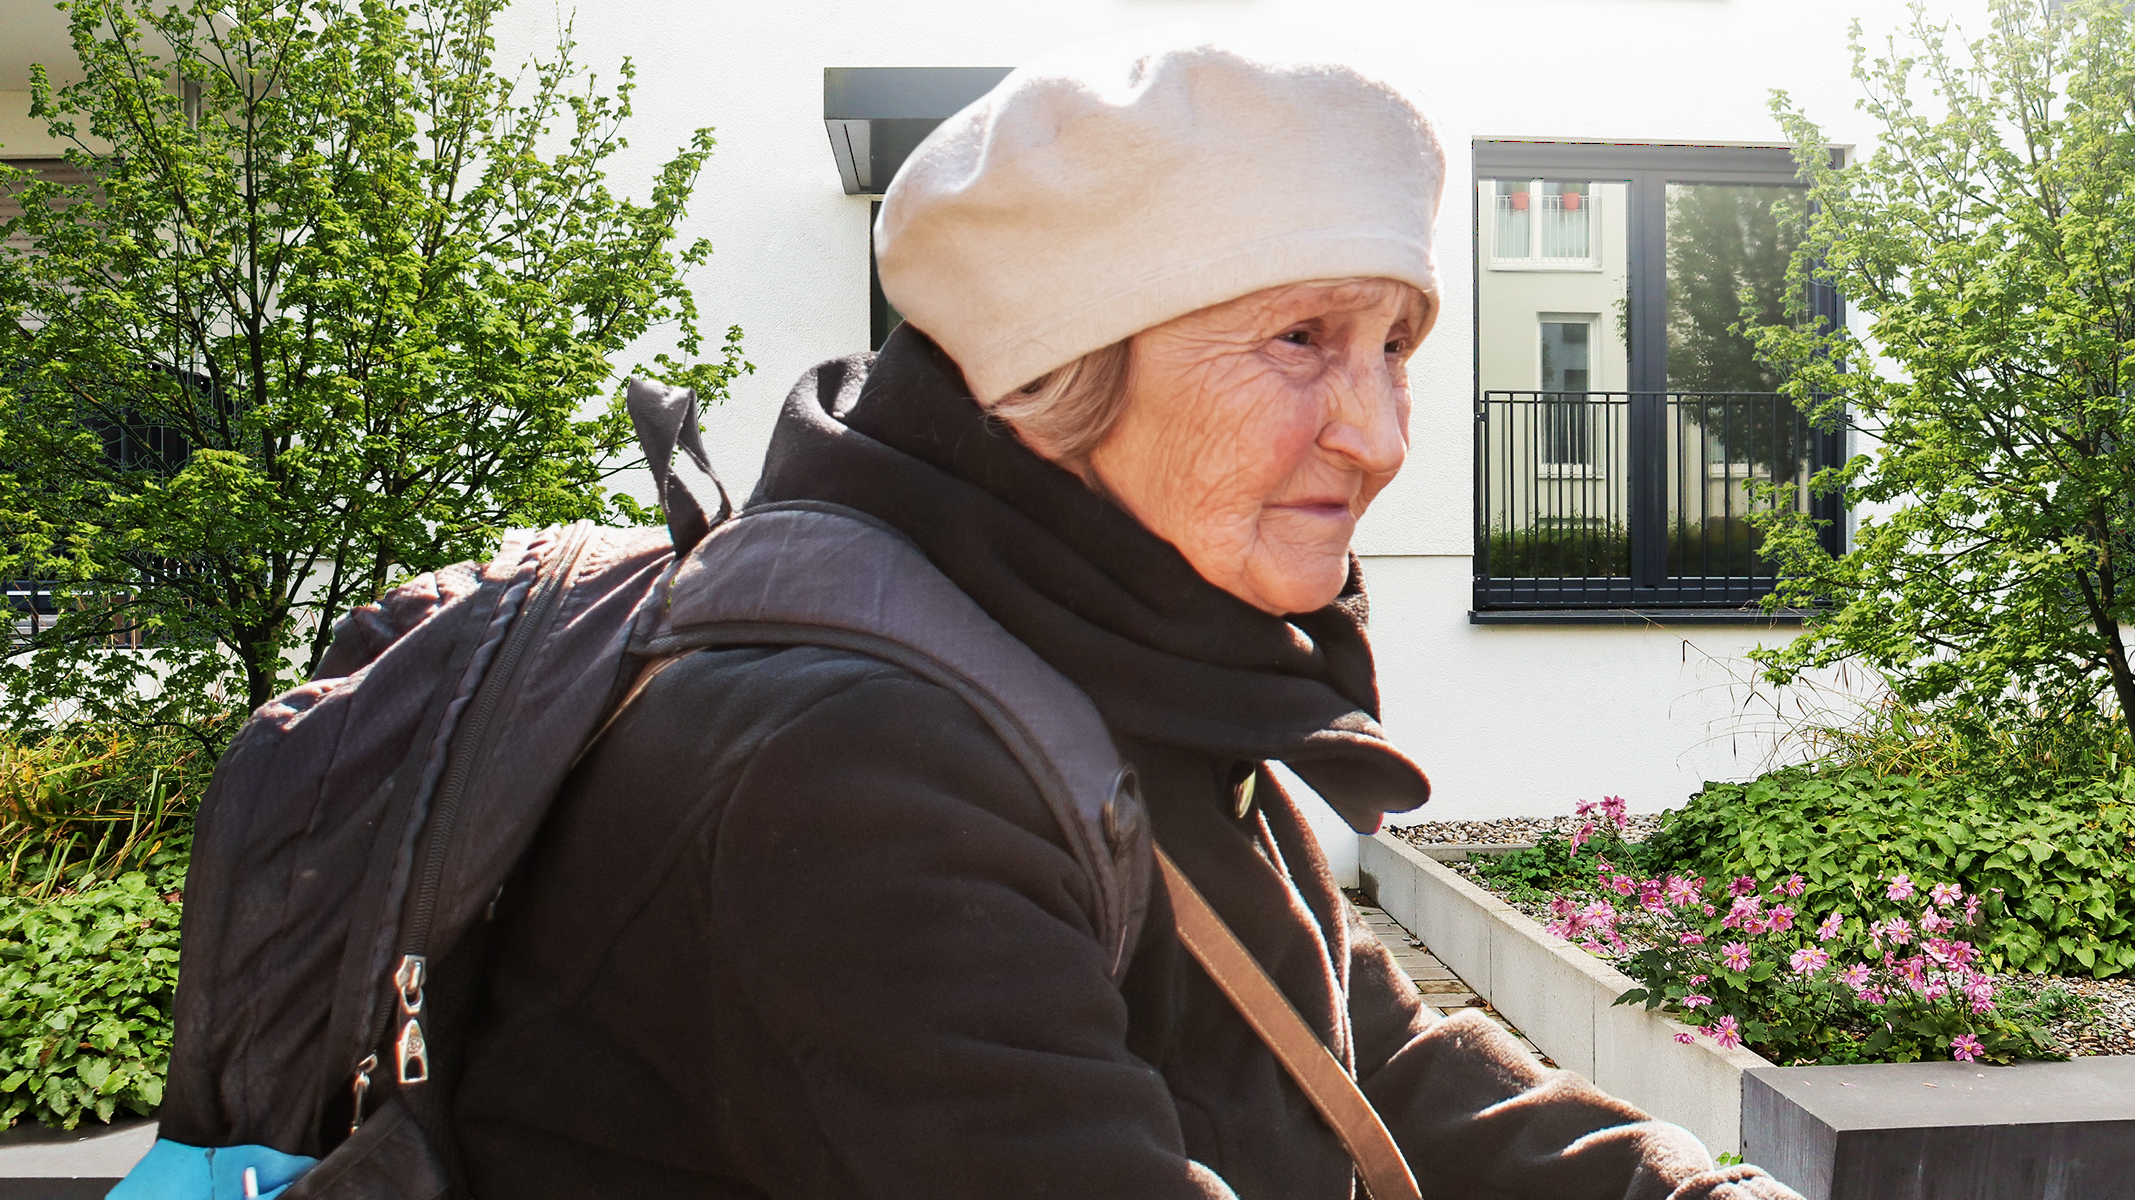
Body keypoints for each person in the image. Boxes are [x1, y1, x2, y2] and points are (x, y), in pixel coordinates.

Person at [452, 25, 1801, 1200]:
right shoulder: (854, 772)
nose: (1382, 436)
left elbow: (1343, 1041)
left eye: (1396, 345)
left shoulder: (1105, 650)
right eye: (1301, 340)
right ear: (1060, 369)